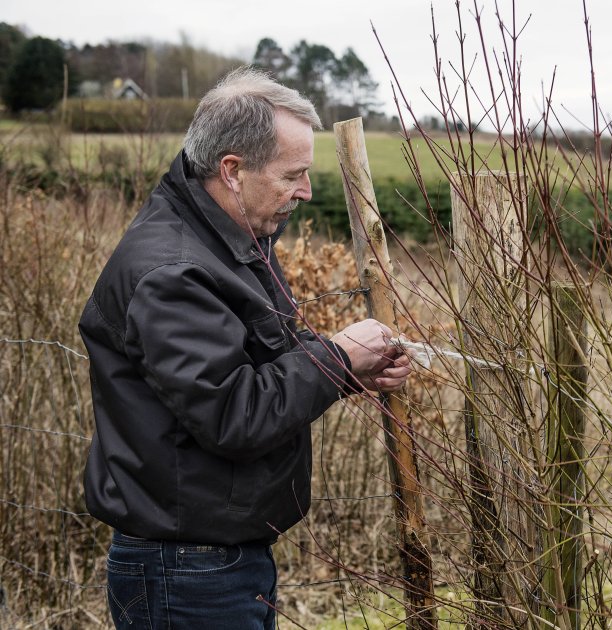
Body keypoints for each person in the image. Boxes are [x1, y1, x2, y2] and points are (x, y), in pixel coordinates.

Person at [78, 67, 411, 629]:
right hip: (185, 571)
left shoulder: (231, 238)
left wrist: (352, 371)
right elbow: (233, 414)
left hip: (212, 556)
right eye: (294, 175)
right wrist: (335, 358)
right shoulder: (174, 273)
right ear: (232, 170)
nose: (306, 191)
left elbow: (251, 363)